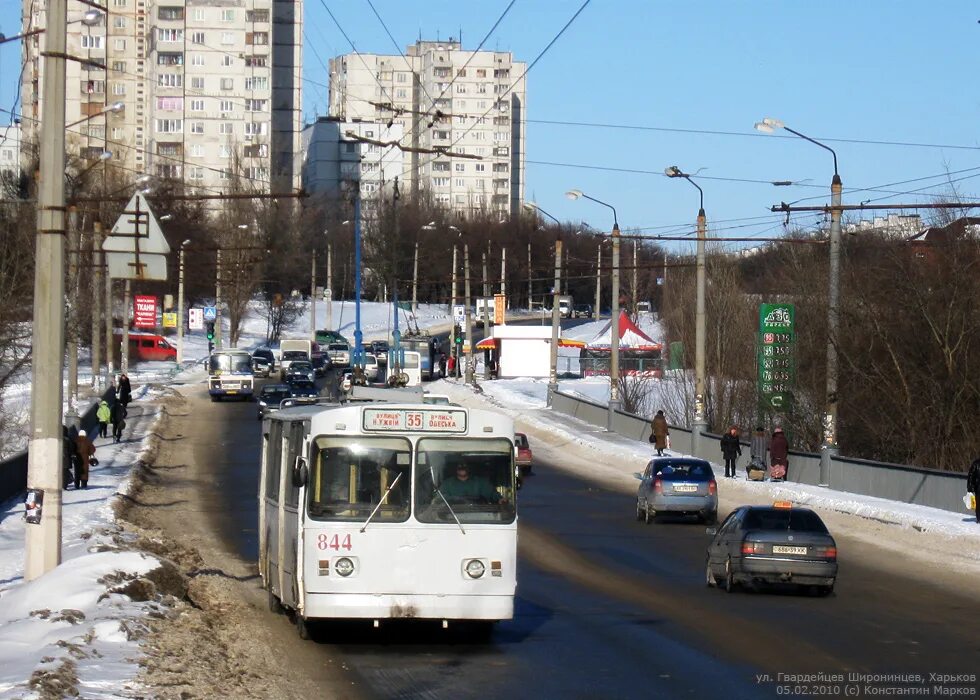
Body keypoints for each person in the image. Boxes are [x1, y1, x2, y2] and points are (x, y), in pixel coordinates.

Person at [438, 464, 503, 504]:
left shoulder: (480, 482)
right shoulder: (447, 483)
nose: (462, 467)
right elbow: (439, 498)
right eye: (459, 466)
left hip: (479, 517)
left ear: (469, 468)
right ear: (455, 468)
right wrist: (456, 499)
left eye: (464, 465)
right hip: (452, 518)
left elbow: (491, 493)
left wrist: (499, 499)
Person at [967, 457, 980, 524]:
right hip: (978, 488)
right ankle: (978, 518)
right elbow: (971, 475)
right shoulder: (976, 464)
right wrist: (970, 487)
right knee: (978, 504)